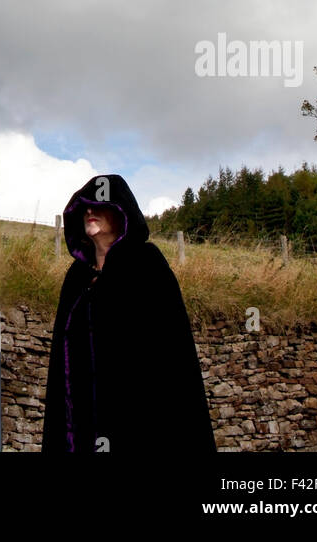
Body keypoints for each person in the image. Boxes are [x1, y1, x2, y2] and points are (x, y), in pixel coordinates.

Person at [41, 173, 217, 455]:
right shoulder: (76, 278)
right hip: (81, 426)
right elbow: (60, 368)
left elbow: (173, 356)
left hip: (139, 426)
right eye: (84, 206)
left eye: (98, 205)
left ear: (120, 212)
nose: (89, 211)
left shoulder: (146, 265)